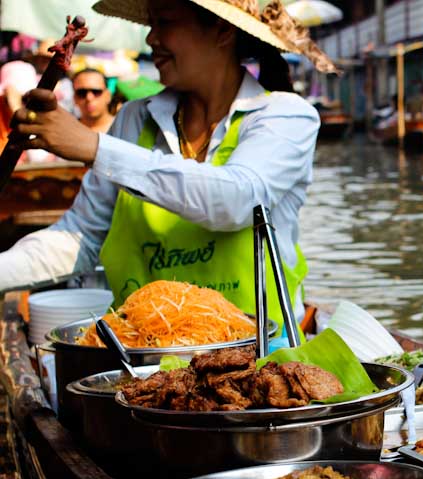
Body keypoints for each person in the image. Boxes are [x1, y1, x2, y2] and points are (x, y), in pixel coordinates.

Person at [0, 0, 337, 330]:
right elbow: (81, 238)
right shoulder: (134, 120)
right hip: (145, 360)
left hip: (259, 362)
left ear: (221, 30)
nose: (151, 39)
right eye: (151, 25)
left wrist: (95, 147)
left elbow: (237, 200)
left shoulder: (284, 115)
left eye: (166, 22)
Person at [71, 68, 115, 133]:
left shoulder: (124, 128)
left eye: (96, 92)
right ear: (74, 98)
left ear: (108, 96)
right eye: (82, 92)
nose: (89, 98)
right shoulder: (67, 131)